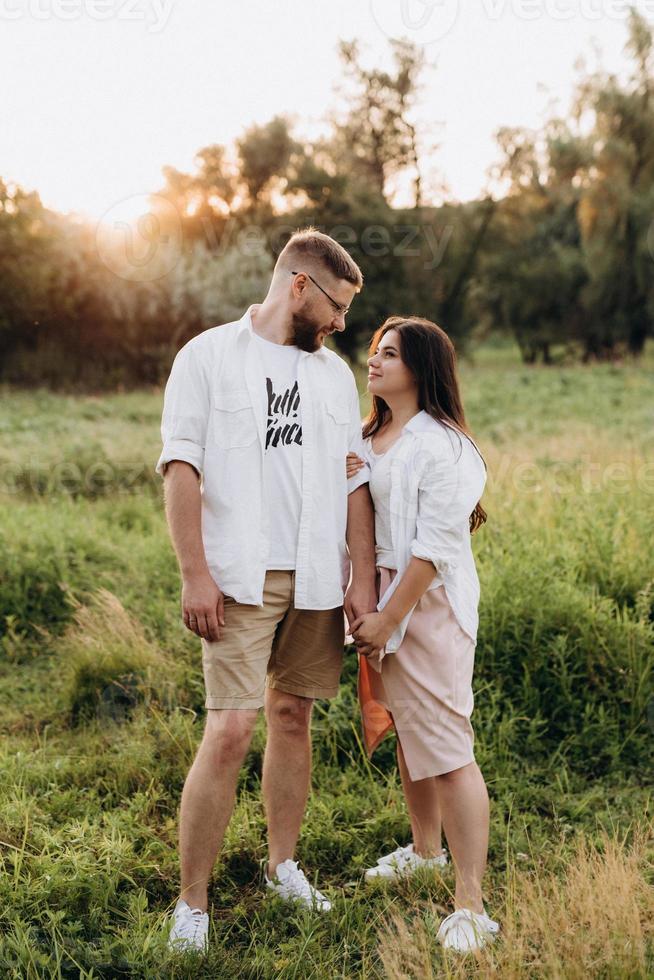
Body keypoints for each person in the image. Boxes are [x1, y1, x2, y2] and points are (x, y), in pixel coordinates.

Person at [156, 229, 377, 954]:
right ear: (300, 287)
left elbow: (352, 482)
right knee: (229, 731)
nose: (343, 323)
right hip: (239, 575)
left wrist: (358, 578)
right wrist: (196, 573)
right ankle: (192, 904)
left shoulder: (333, 378)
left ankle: (284, 865)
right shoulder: (209, 356)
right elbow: (180, 467)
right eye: (338, 305)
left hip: (317, 574)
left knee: (291, 718)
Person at [346, 315, 500, 954]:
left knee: (448, 747)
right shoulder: (376, 431)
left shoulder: (444, 445)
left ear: (422, 368)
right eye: (375, 351)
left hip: (427, 605)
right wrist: (363, 600)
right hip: (383, 597)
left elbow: (437, 547)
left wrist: (387, 617)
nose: (373, 361)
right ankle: (424, 850)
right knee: (412, 733)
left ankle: (471, 904)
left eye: (389, 354)